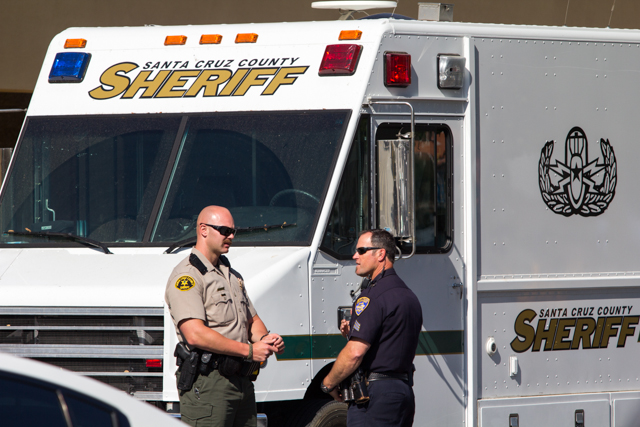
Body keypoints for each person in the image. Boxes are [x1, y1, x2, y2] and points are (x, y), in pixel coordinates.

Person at [165, 205, 285, 427]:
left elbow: (252, 320)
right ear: (203, 230)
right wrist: (250, 350)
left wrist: (265, 339)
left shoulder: (232, 276)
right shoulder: (187, 276)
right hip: (209, 384)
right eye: (224, 230)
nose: (230, 236)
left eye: (233, 231)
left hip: (241, 381)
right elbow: (194, 334)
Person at [320, 229, 423, 427]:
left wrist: (328, 383)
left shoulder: (371, 298)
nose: (355, 256)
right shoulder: (410, 296)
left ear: (381, 254)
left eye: (361, 250)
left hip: (375, 397)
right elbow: (391, 341)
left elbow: (355, 354)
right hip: (403, 392)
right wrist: (354, 333)